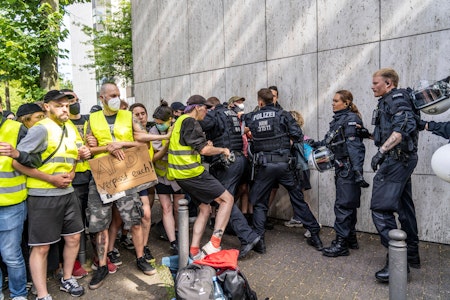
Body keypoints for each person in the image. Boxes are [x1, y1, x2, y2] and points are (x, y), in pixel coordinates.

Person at [85, 83, 169, 289]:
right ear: (102, 97)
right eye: (112, 95)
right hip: (103, 175)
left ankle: (141, 258)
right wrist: (107, 147)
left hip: (126, 173)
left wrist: (122, 143)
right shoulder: (92, 119)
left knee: (135, 219)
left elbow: (140, 141)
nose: (116, 98)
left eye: (118, 95)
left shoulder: (126, 115)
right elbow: (89, 149)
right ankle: (103, 266)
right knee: (101, 224)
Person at [11, 90, 88, 300]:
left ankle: (67, 278)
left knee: (73, 237)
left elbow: (74, 155)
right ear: (47, 107)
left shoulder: (69, 127)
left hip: (67, 192)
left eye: (67, 105)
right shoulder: (40, 129)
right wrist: (51, 179)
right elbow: (17, 162)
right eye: (59, 105)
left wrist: (79, 160)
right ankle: (43, 295)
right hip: (43, 195)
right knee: (42, 247)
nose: (65, 109)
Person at [243, 88, 323, 253]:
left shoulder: (252, 117)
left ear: (260, 102)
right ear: (273, 100)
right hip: (284, 164)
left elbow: (242, 130)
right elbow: (298, 136)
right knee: (297, 199)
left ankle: (260, 242)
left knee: (260, 203)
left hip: (264, 166)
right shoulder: (283, 115)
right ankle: (315, 235)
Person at [167, 95, 234, 259]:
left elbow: (191, 147)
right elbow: (203, 150)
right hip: (192, 173)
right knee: (227, 200)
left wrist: (205, 146)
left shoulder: (179, 121)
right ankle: (214, 244)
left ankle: (194, 250)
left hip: (180, 174)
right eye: (206, 108)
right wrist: (222, 150)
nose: (208, 112)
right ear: (197, 107)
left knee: (205, 208)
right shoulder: (190, 122)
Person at [370, 68, 420, 282]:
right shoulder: (390, 100)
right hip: (402, 159)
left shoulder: (396, 98)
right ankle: (411, 256)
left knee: (380, 209)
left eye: (376, 83)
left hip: (396, 159)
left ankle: (398, 264)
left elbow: (402, 128)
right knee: (404, 207)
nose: (372, 86)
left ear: (389, 83)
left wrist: (381, 152)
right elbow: (390, 129)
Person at [200, 96, 262, 259]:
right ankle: (254, 239)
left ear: (210, 107)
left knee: (224, 201)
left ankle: (249, 237)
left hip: (226, 162)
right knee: (228, 200)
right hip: (238, 160)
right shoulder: (231, 113)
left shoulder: (214, 114)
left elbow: (200, 124)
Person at [312, 90, 369, 257]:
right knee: (348, 203)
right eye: (333, 100)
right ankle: (350, 238)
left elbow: (355, 147)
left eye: (336, 101)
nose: (333, 103)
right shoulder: (339, 120)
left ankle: (341, 244)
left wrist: (357, 171)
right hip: (343, 167)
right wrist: (313, 143)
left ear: (346, 103)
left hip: (348, 168)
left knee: (343, 205)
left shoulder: (351, 119)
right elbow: (328, 142)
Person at [62, 89, 90, 279]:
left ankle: (98, 257)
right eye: (69, 100)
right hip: (72, 181)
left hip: (92, 176)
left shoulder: (89, 121)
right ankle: (75, 260)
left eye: (75, 98)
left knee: (94, 221)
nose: (74, 102)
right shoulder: (61, 124)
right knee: (74, 225)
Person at [150, 100, 184, 254]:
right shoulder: (152, 132)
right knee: (166, 207)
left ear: (170, 120)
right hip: (162, 176)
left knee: (179, 207)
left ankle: (179, 232)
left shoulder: (180, 128)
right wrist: (166, 144)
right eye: (156, 123)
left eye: (161, 123)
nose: (159, 125)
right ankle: (173, 241)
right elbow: (155, 156)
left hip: (178, 175)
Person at [0, 114, 28, 300]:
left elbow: (35, 160)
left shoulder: (17, 129)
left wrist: (16, 153)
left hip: (10, 204)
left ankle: (19, 294)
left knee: (10, 254)